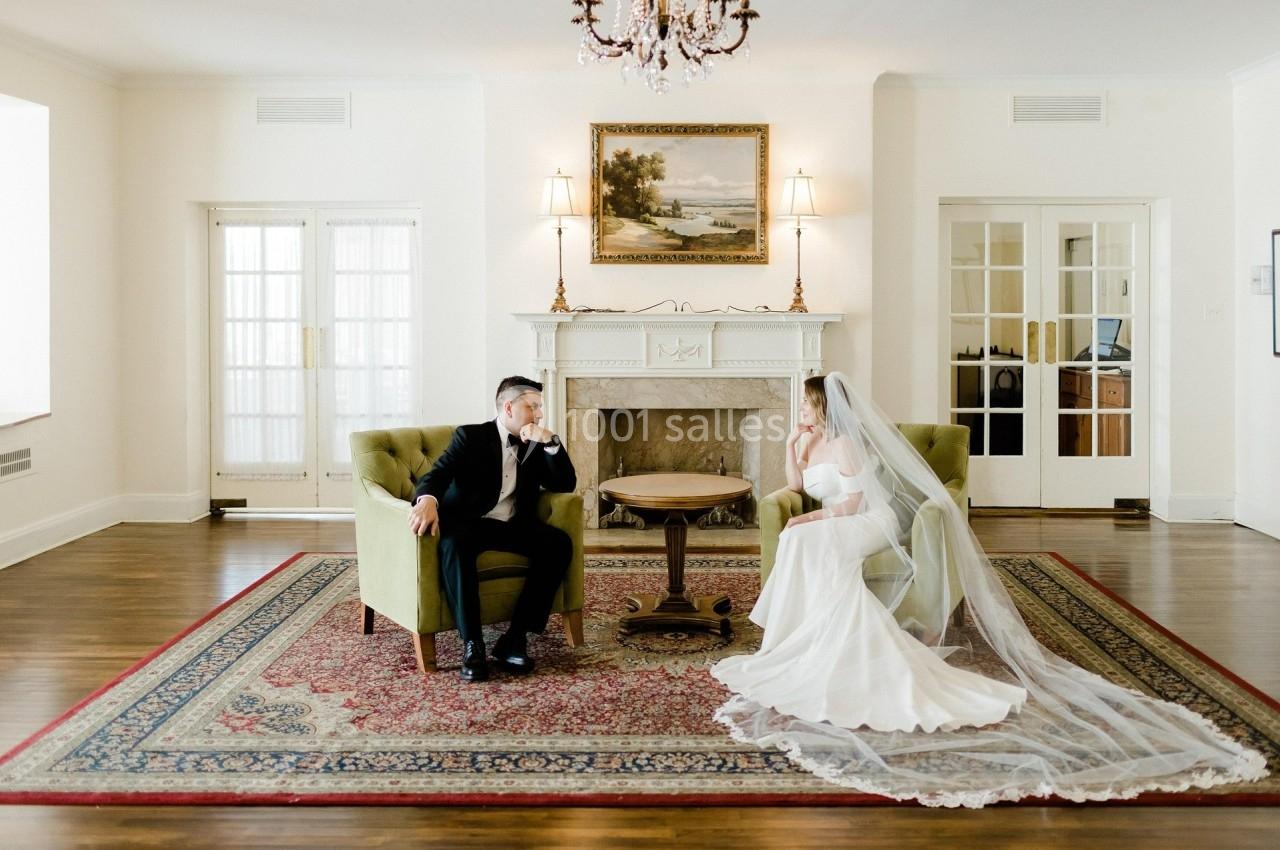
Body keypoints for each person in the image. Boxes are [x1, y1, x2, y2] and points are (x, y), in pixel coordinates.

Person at [711, 372, 1266, 807]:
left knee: (807, 541)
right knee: (801, 542)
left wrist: (810, 520)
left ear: (825, 406)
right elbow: (790, 488)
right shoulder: (810, 441)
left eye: (807, 406)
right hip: (833, 521)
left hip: (864, 523)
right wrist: (791, 444)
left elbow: (856, 504)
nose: (803, 412)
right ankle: (797, 636)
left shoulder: (850, 447)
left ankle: (814, 638)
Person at [408, 376, 576, 683]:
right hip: (468, 525)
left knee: (558, 543)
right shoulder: (471, 437)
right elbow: (438, 474)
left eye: (540, 407)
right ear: (509, 407)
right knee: (455, 546)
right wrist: (428, 499)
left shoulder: (536, 443)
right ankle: (473, 644)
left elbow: (565, 484)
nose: (539, 415)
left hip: (512, 524)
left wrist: (551, 442)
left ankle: (515, 637)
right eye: (533, 407)